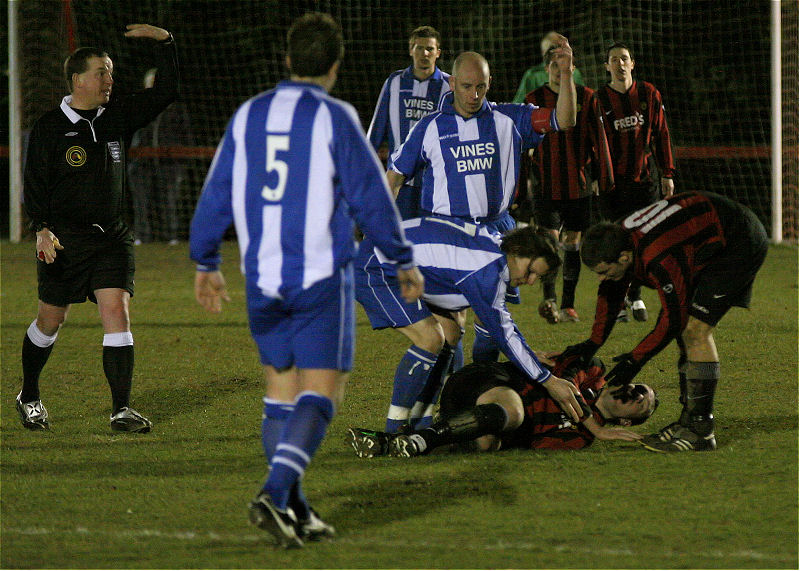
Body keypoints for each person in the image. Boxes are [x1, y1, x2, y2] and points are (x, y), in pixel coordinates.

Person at [189, 12, 423, 548]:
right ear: (336, 66)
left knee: (280, 393)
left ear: (288, 60)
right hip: (320, 277)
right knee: (321, 393)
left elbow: (216, 191)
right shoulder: (336, 117)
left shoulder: (248, 114)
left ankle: (295, 508)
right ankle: (274, 493)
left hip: (263, 280)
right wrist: (402, 258)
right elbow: (370, 195)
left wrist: (206, 261)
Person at [366, 45, 577, 425]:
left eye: (481, 87)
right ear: (452, 83)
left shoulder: (509, 119)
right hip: (447, 237)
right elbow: (395, 174)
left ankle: (476, 392)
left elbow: (564, 121)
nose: (474, 95)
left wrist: (566, 75)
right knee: (450, 330)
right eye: (466, 86)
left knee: (488, 326)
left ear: (489, 84)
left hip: (497, 231)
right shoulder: (430, 126)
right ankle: (436, 410)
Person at [18, 24, 178, 434]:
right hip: (63, 241)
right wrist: (41, 229)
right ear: (77, 80)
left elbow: (166, 92)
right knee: (51, 320)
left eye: (110, 72)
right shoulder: (50, 128)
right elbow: (34, 184)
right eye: (101, 73)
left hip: (111, 237)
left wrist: (165, 44)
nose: (110, 80)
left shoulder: (117, 116)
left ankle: (121, 409)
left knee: (116, 311)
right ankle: (30, 394)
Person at [559, 191, 768, 453]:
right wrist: (594, 342)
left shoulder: (657, 254)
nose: (601, 278)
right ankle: (690, 418)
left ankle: (701, 430)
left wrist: (635, 359)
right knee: (687, 333)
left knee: (694, 331)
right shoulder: (619, 240)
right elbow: (612, 291)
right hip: (707, 233)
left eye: (603, 271)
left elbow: (672, 318)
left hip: (737, 242)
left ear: (624, 258)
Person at [356, 221, 588, 439]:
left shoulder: (495, 248)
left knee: (451, 333)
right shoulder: (486, 269)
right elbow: (504, 332)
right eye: (530, 271)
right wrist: (548, 380)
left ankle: (421, 420)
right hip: (374, 265)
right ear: (517, 251)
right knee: (430, 338)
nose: (530, 281)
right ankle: (395, 428)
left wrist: (527, 356)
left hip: (392, 257)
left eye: (537, 277)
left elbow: (503, 327)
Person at [348, 354, 655, 457]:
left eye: (643, 404)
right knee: (514, 409)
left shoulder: (578, 439)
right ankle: (418, 439)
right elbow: (566, 372)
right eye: (641, 388)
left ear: (627, 423)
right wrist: (591, 422)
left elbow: (530, 443)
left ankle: (395, 443)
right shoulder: (595, 371)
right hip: (485, 379)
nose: (638, 394)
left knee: (487, 445)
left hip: (477, 415)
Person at [522, 45, 614, 325]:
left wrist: (600, 175)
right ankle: (549, 299)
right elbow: (523, 141)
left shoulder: (587, 97)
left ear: (571, 70)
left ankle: (569, 305)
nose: (559, 72)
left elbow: (598, 137)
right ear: (546, 69)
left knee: (572, 242)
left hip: (578, 183)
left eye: (565, 68)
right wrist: (522, 177)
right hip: (545, 183)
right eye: (553, 67)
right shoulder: (533, 99)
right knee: (549, 242)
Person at [595, 42, 676, 323]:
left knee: (641, 239)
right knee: (615, 242)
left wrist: (667, 173)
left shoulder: (648, 94)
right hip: (612, 186)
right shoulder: (599, 100)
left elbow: (662, 134)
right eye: (614, 60)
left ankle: (635, 294)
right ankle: (616, 301)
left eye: (624, 59)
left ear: (632, 64)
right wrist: (594, 177)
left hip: (644, 181)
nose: (619, 64)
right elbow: (592, 143)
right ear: (607, 66)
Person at [367, 25, 450, 220]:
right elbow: (377, 128)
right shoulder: (394, 82)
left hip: (435, 184)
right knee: (392, 239)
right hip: (397, 183)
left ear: (438, 53)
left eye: (430, 48)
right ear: (410, 50)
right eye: (419, 47)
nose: (424, 53)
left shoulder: (448, 86)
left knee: (429, 243)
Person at [128, 68, 192, 245]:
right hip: (142, 162)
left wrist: (180, 158)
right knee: (141, 201)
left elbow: (186, 137)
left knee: (169, 200)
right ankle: (142, 236)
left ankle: (170, 236)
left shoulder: (176, 108)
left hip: (169, 162)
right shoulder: (140, 107)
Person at [512, 30, 584, 103]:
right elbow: (518, 104)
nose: (557, 52)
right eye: (552, 48)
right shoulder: (533, 75)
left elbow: (584, 99)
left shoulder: (575, 73)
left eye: (560, 47)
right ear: (543, 53)